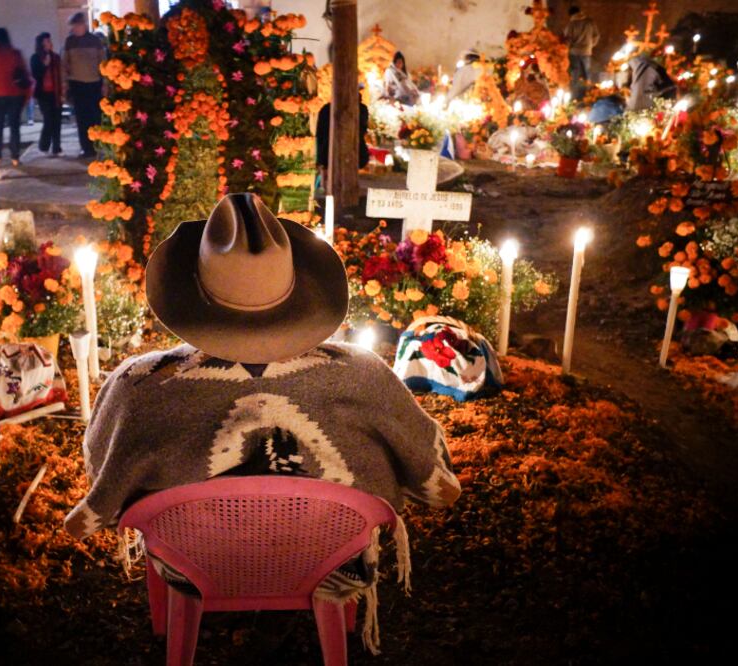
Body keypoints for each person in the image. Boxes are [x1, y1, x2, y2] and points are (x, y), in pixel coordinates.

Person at [64, 193, 461, 647]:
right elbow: (435, 481)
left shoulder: (137, 385)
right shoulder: (365, 376)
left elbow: (102, 476)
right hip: (329, 557)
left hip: (192, 561)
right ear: (299, 287)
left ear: (191, 292)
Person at [0, 27, 31, 166]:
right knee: (14, 126)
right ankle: (15, 157)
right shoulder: (16, 54)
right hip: (16, 94)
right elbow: (24, 73)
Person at [62, 12, 106, 158]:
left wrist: (104, 82)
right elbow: (64, 63)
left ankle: (98, 145)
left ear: (83, 25)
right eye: (73, 26)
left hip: (94, 83)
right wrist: (65, 83)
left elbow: (103, 62)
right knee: (82, 118)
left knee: (95, 116)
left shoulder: (95, 41)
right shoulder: (69, 42)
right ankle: (86, 148)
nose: (74, 29)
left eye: (76, 25)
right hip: (78, 84)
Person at [315, 93, 370, 189]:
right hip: (338, 149)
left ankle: (328, 187)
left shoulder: (327, 108)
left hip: (332, 149)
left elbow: (320, 133)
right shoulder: (361, 109)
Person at [30, 32, 63, 157]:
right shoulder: (35, 58)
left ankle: (56, 146)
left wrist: (63, 91)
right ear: (41, 44)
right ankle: (44, 145)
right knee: (49, 119)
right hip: (43, 94)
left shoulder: (56, 57)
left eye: (50, 41)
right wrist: (45, 65)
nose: (50, 44)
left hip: (56, 92)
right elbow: (35, 75)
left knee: (57, 119)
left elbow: (60, 74)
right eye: (47, 42)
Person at [563, 6, 600, 100]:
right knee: (587, 74)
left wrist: (568, 48)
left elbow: (568, 40)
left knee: (575, 74)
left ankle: (575, 97)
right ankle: (588, 95)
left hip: (574, 52)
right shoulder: (590, 22)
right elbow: (596, 35)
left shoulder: (571, 24)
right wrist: (590, 45)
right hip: (587, 52)